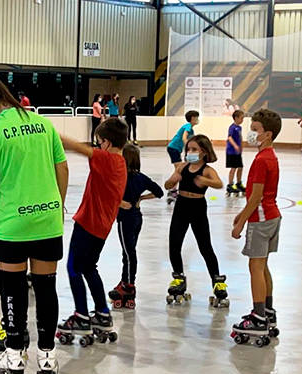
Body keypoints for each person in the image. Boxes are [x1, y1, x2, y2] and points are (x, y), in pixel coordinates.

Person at [0, 70, 68, 374]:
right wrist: (57, 206)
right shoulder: (43, 123)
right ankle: (47, 356)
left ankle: (14, 354)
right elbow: (62, 168)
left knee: (11, 289)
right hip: (48, 220)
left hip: (14, 224)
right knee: (46, 287)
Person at [56, 118, 127, 346]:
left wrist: (50, 133)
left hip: (88, 223)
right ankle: (102, 312)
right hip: (102, 226)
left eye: (98, 142)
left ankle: (81, 315)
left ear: (106, 143)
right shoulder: (121, 162)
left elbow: (78, 148)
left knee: (74, 268)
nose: (96, 146)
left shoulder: (107, 159)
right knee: (89, 268)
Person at [231, 109, 282, 345]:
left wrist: (241, 222)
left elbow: (256, 197)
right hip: (272, 216)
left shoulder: (262, 160)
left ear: (268, 134)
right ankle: (268, 310)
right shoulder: (270, 156)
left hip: (260, 220)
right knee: (263, 266)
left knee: (255, 266)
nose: (251, 134)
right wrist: (241, 213)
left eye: (255, 130)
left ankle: (258, 315)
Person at [163, 134, 228, 308]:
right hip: (181, 207)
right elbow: (167, 186)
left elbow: (219, 183)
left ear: (204, 152)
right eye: (189, 149)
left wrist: (204, 180)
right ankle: (178, 278)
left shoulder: (206, 170)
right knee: (174, 244)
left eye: (194, 149)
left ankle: (217, 281)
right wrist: (173, 180)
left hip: (198, 207)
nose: (190, 152)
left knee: (205, 246)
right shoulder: (182, 167)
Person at [109, 144, 163, 309]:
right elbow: (159, 192)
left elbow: (109, 195)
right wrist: (141, 199)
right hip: (137, 218)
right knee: (128, 252)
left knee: (128, 253)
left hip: (125, 219)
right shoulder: (141, 177)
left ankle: (129, 286)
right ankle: (125, 281)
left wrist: (120, 202)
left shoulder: (120, 177)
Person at [166, 110, 199, 202]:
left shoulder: (191, 129)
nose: (197, 119)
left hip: (175, 149)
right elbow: (184, 137)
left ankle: (172, 189)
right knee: (179, 169)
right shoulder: (188, 126)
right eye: (196, 117)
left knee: (179, 169)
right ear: (192, 118)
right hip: (173, 148)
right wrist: (188, 149)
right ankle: (172, 189)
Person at [226, 110, 245, 196]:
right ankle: (230, 185)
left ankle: (239, 183)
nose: (242, 120)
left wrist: (241, 146)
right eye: (241, 118)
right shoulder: (232, 127)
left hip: (237, 152)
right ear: (236, 118)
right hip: (231, 151)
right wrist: (235, 146)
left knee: (240, 167)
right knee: (233, 168)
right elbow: (229, 138)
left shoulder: (239, 128)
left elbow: (240, 137)